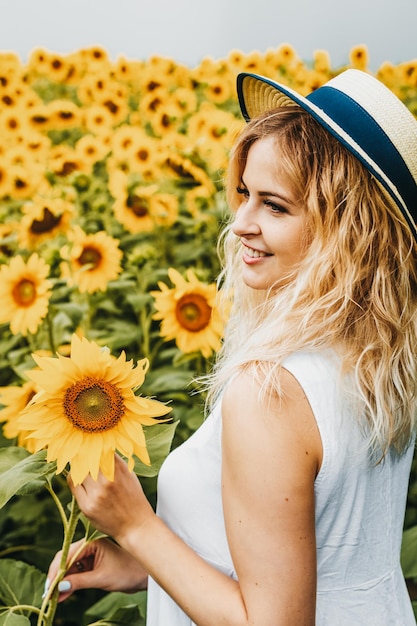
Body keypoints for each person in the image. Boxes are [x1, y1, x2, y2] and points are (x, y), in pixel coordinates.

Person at [46, 69, 417, 625]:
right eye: (244, 193)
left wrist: (134, 524)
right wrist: (141, 562)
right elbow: (326, 546)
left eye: (275, 205)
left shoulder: (272, 392)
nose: (240, 222)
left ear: (348, 229)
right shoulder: (379, 357)